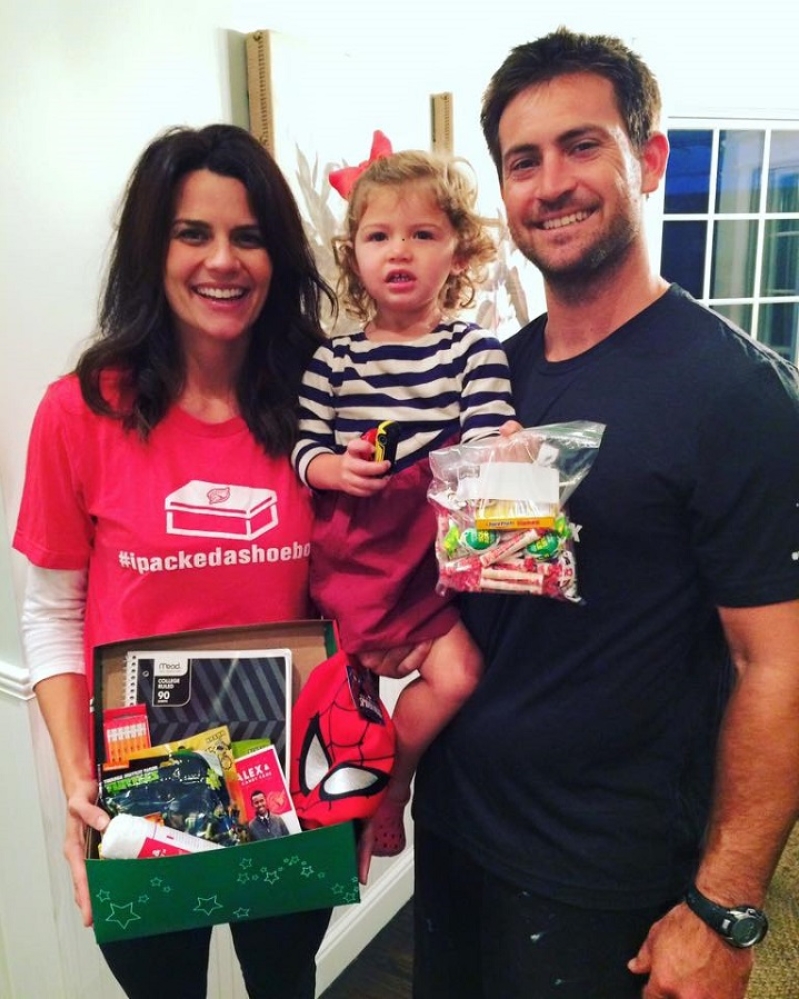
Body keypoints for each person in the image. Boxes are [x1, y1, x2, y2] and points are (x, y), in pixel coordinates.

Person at [408, 27, 799, 999]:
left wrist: (725, 908)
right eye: (522, 161)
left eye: (582, 146)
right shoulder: (497, 371)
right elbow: (496, 595)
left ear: (648, 159)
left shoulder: (737, 394)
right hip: (456, 828)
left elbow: (778, 666)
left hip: (598, 875)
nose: (551, 184)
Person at [13, 123, 338, 999]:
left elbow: (360, 581)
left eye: (249, 235)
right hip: (135, 793)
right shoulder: (80, 411)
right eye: (192, 233)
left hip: (291, 791)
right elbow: (48, 614)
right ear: (152, 249)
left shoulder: (325, 400)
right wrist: (79, 783)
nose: (221, 261)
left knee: (284, 983)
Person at [291, 148, 517, 881]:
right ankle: (326, 831)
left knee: (457, 674)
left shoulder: (471, 350)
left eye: (423, 234)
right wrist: (333, 467)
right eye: (379, 235)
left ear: (457, 251)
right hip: (352, 555)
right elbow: (303, 450)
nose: (400, 250)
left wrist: (507, 449)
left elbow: (487, 435)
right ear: (352, 254)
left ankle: (396, 782)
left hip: (427, 558)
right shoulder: (334, 361)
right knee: (329, 709)